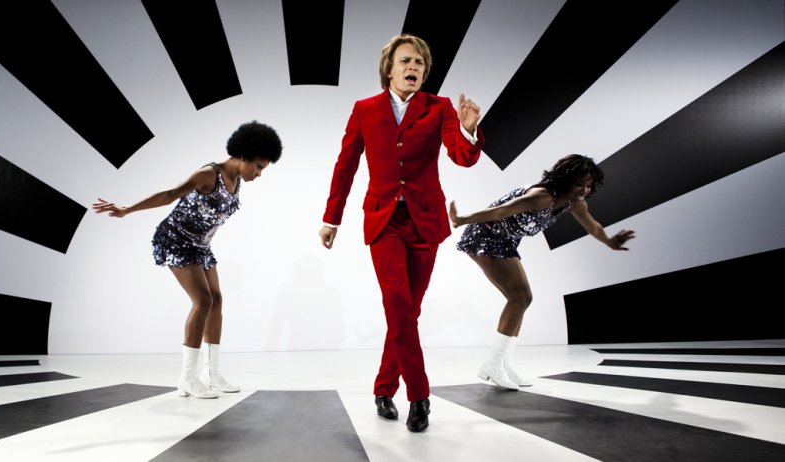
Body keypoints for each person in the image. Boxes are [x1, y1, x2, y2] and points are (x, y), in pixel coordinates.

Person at [319, 34, 485, 432]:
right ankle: (419, 395)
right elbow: (346, 166)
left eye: (420, 64)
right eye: (406, 61)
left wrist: (468, 132)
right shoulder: (364, 109)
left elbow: (461, 158)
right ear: (389, 69)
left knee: (408, 311)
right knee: (396, 302)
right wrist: (332, 218)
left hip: (425, 221)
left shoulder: (440, 107)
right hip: (384, 221)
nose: (414, 67)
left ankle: (383, 388)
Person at [93, 121, 282, 399]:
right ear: (243, 156)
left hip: (200, 246)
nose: (259, 174)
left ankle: (212, 373)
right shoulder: (208, 175)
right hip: (176, 240)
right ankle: (188, 378)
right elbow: (169, 195)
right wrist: (127, 209)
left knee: (216, 300)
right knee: (203, 301)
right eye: (258, 166)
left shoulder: (237, 180)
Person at [449, 154, 635, 390]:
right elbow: (500, 211)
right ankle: (493, 364)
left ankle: (503, 364)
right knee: (520, 297)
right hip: (485, 236)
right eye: (579, 184)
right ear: (565, 179)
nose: (584, 191)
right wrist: (462, 219)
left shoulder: (574, 203)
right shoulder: (542, 197)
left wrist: (609, 242)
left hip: (506, 241)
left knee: (521, 299)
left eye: (589, 185)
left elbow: (593, 227)